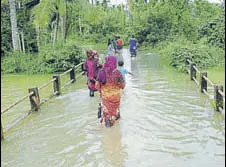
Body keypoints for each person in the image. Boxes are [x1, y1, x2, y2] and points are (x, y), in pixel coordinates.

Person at [96, 55, 125, 127]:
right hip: (115, 98)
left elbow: (97, 85)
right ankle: (116, 128)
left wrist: (100, 91)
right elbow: (123, 86)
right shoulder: (118, 73)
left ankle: (108, 128)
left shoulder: (101, 72)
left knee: (107, 113)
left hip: (105, 97)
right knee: (115, 112)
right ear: (115, 62)